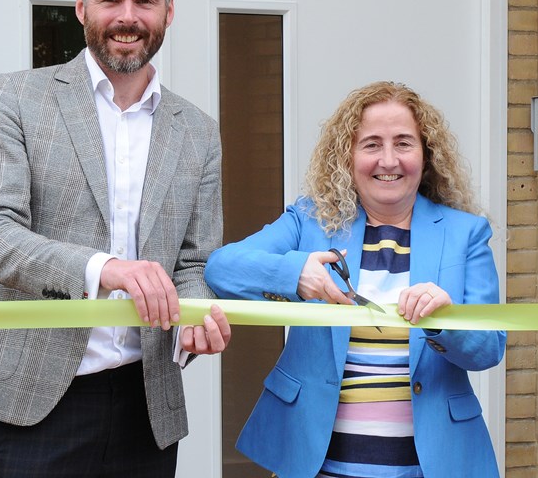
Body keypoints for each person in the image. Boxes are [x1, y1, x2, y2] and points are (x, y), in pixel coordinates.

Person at [0, 0, 232, 478]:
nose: (127, 16)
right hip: (37, 397)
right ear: (82, 6)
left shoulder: (198, 132)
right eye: (111, 0)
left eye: (144, 1)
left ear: (169, 11)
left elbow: (196, 262)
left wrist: (194, 318)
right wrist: (104, 269)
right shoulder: (17, 97)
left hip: (148, 403)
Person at [205, 81, 506, 478]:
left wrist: (445, 320)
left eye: (403, 143)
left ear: (425, 153)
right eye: (371, 145)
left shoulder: (466, 233)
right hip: (317, 464)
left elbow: (488, 349)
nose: (388, 160)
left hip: (430, 466)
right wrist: (295, 274)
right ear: (346, 156)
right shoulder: (309, 221)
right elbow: (222, 268)